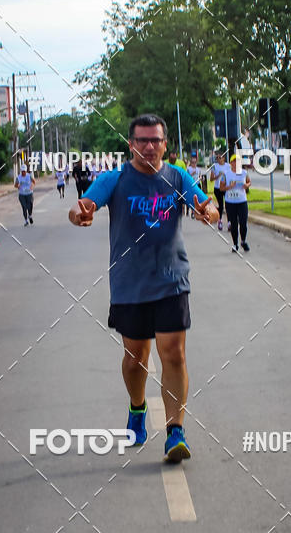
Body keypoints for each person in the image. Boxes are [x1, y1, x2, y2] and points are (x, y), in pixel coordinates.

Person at [68, 113, 219, 463]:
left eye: (156, 140)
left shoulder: (177, 176)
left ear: (166, 144)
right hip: (129, 284)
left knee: (174, 353)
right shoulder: (115, 179)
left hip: (171, 278)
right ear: (131, 144)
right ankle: (137, 409)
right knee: (136, 359)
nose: (149, 147)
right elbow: (81, 207)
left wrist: (207, 212)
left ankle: (175, 431)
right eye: (142, 141)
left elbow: (204, 203)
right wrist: (80, 214)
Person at [220, 152, 251, 253]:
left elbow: (249, 182)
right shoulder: (226, 174)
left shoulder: (244, 173)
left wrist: (247, 185)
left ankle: (243, 241)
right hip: (230, 202)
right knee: (233, 224)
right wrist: (230, 187)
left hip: (242, 201)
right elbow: (221, 188)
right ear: (231, 163)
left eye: (238, 161)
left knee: (243, 223)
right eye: (234, 161)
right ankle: (235, 244)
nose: (236, 163)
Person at [209, 149, 227, 231]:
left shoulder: (228, 166)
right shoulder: (214, 166)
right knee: (221, 205)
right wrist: (218, 176)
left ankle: (230, 221)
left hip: (226, 187)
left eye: (220, 157)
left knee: (228, 205)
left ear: (224, 158)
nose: (219, 159)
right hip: (217, 188)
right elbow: (211, 179)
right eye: (217, 158)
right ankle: (220, 221)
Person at [186, 154, 202, 218]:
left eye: (195, 162)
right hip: (190, 185)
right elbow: (186, 177)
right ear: (191, 163)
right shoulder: (188, 169)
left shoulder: (198, 169)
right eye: (192, 162)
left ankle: (194, 212)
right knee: (191, 198)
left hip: (197, 184)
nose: (194, 164)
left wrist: (200, 178)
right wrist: (192, 174)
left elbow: (200, 176)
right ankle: (189, 211)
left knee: (196, 199)